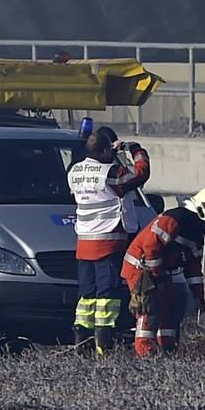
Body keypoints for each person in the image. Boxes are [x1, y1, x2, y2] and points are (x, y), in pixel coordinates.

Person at [66, 125, 150, 354]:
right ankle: (104, 345)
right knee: (107, 297)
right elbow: (140, 174)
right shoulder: (110, 174)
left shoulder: (74, 171)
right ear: (105, 151)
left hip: (84, 243)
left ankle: (82, 343)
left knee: (86, 298)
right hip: (108, 242)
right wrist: (135, 150)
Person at [122, 186, 205, 357]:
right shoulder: (174, 220)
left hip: (161, 272)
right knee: (149, 309)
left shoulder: (195, 231)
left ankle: (168, 349)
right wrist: (156, 277)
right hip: (141, 270)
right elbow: (151, 246)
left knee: (172, 307)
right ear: (204, 209)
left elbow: (193, 266)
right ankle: (144, 352)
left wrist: (198, 295)